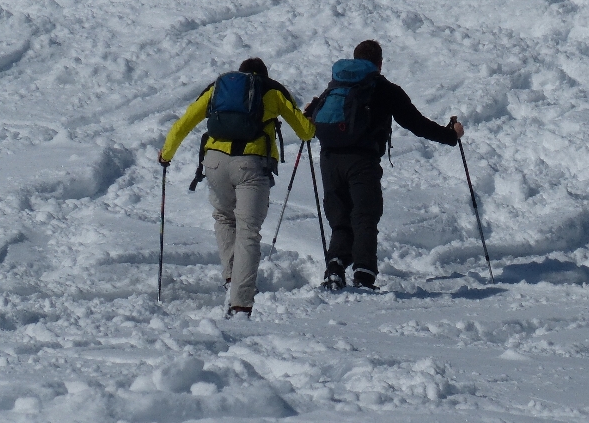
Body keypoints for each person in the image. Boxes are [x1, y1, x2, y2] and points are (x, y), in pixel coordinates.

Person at [158, 58, 315, 317]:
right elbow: (305, 132)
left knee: (224, 218)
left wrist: (167, 153)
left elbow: (184, 122)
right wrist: (310, 116)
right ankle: (241, 303)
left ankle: (232, 277)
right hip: (251, 165)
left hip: (215, 163)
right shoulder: (271, 91)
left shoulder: (216, 90)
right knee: (248, 231)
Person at [311, 40, 464, 290]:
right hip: (362, 161)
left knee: (340, 217)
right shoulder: (384, 88)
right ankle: (363, 274)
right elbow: (416, 123)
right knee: (364, 215)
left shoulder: (336, 85)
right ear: (379, 64)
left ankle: (335, 267)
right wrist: (450, 136)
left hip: (329, 159)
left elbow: (316, 116)